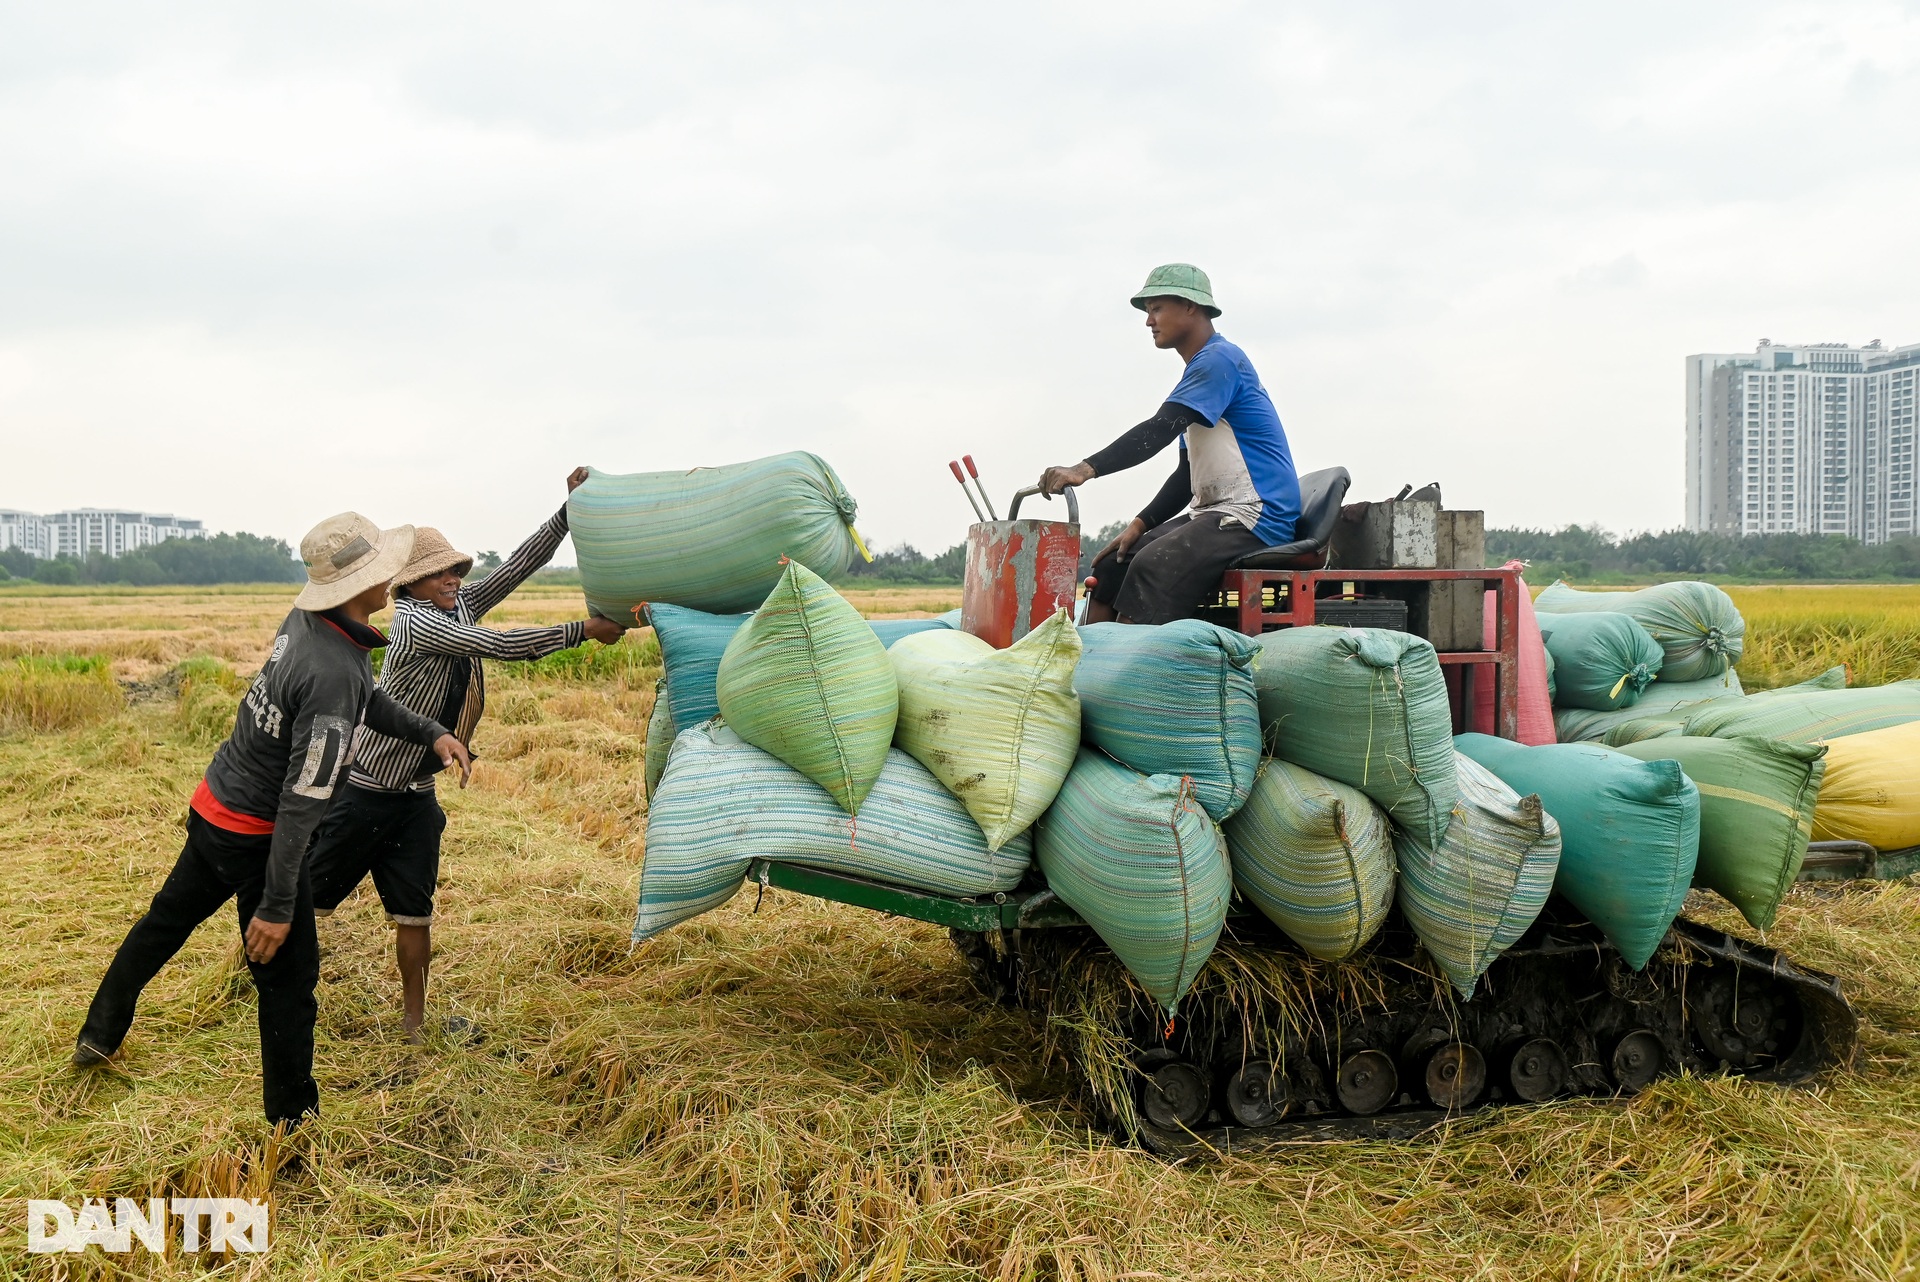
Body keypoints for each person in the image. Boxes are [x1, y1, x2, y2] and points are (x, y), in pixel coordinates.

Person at [74, 514, 471, 1129]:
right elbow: (302, 802)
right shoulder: (333, 669)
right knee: (288, 983)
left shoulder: (314, 625)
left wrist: (432, 732)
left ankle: (99, 1032)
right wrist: (278, 904)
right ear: (354, 585)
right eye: (382, 569)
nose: (393, 575)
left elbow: (365, 697)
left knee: (163, 923)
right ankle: (293, 1122)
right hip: (257, 836)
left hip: (215, 803)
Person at [305, 468, 625, 1043]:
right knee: (311, 904)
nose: (452, 578)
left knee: (415, 913)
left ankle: (414, 1024)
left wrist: (567, 513)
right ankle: (272, 988)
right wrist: (583, 630)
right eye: (438, 573)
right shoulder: (416, 623)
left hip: (415, 798)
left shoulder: (456, 605)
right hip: (365, 792)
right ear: (410, 584)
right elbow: (500, 645)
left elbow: (516, 570)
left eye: (455, 569)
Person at [1038, 263, 1301, 625]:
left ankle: (1124, 674)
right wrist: (1139, 524)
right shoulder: (1197, 377)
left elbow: (1158, 430)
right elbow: (1186, 476)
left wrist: (1084, 469)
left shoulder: (1219, 361)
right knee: (1113, 565)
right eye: (1148, 312)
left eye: (1157, 308)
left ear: (1191, 307)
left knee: (1152, 567)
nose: (1149, 321)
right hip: (1214, 511)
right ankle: (1086, 664)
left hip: (1256, 513)